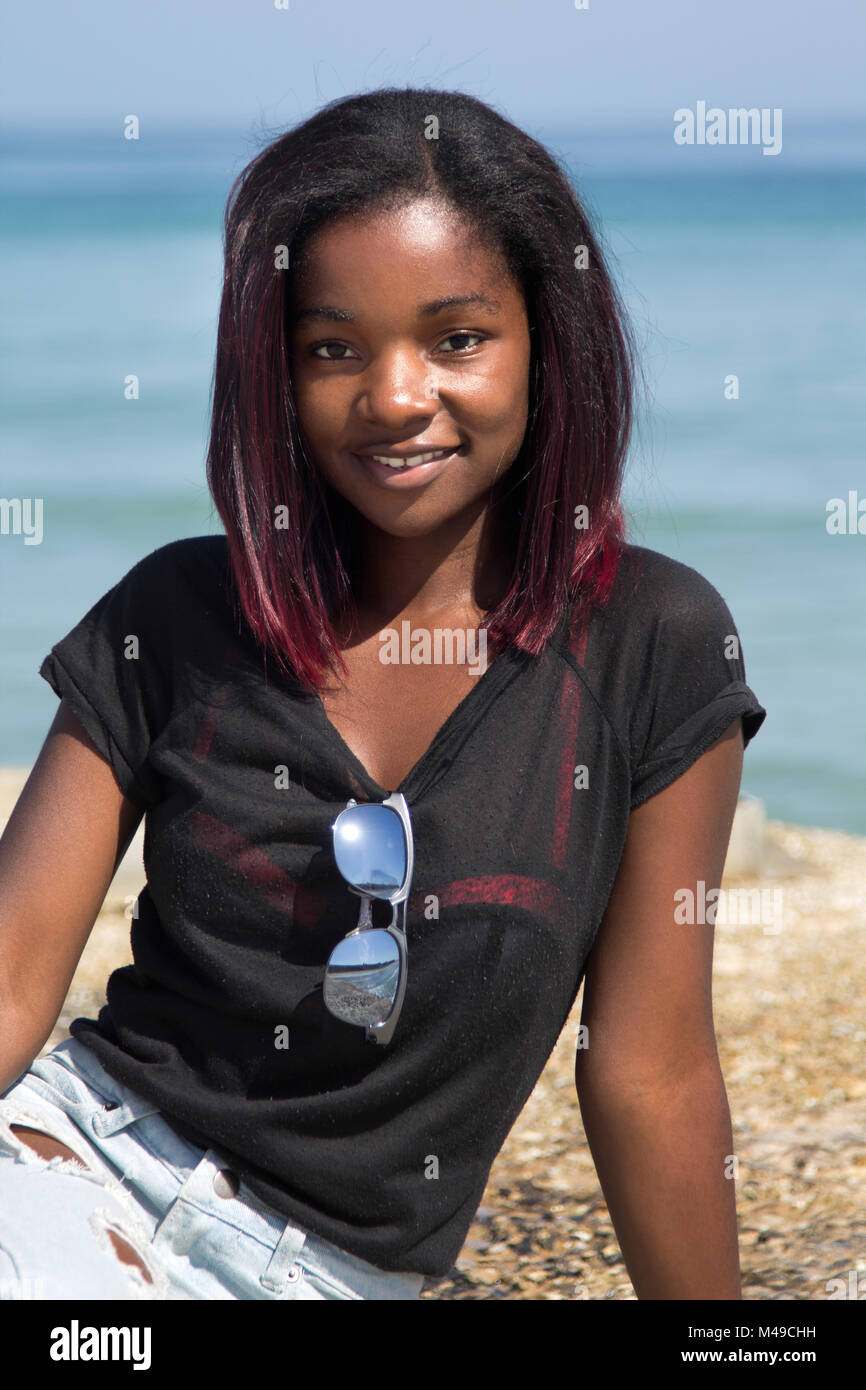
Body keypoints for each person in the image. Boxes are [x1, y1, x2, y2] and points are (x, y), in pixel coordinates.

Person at [0, 86, 766, 1301]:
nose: (396, 396)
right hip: (64, 1177)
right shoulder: (177, 615)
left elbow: (648, 1069)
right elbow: (8, 979)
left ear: (545, 342)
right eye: (333, 347)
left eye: (457, 337)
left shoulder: (653, 644)